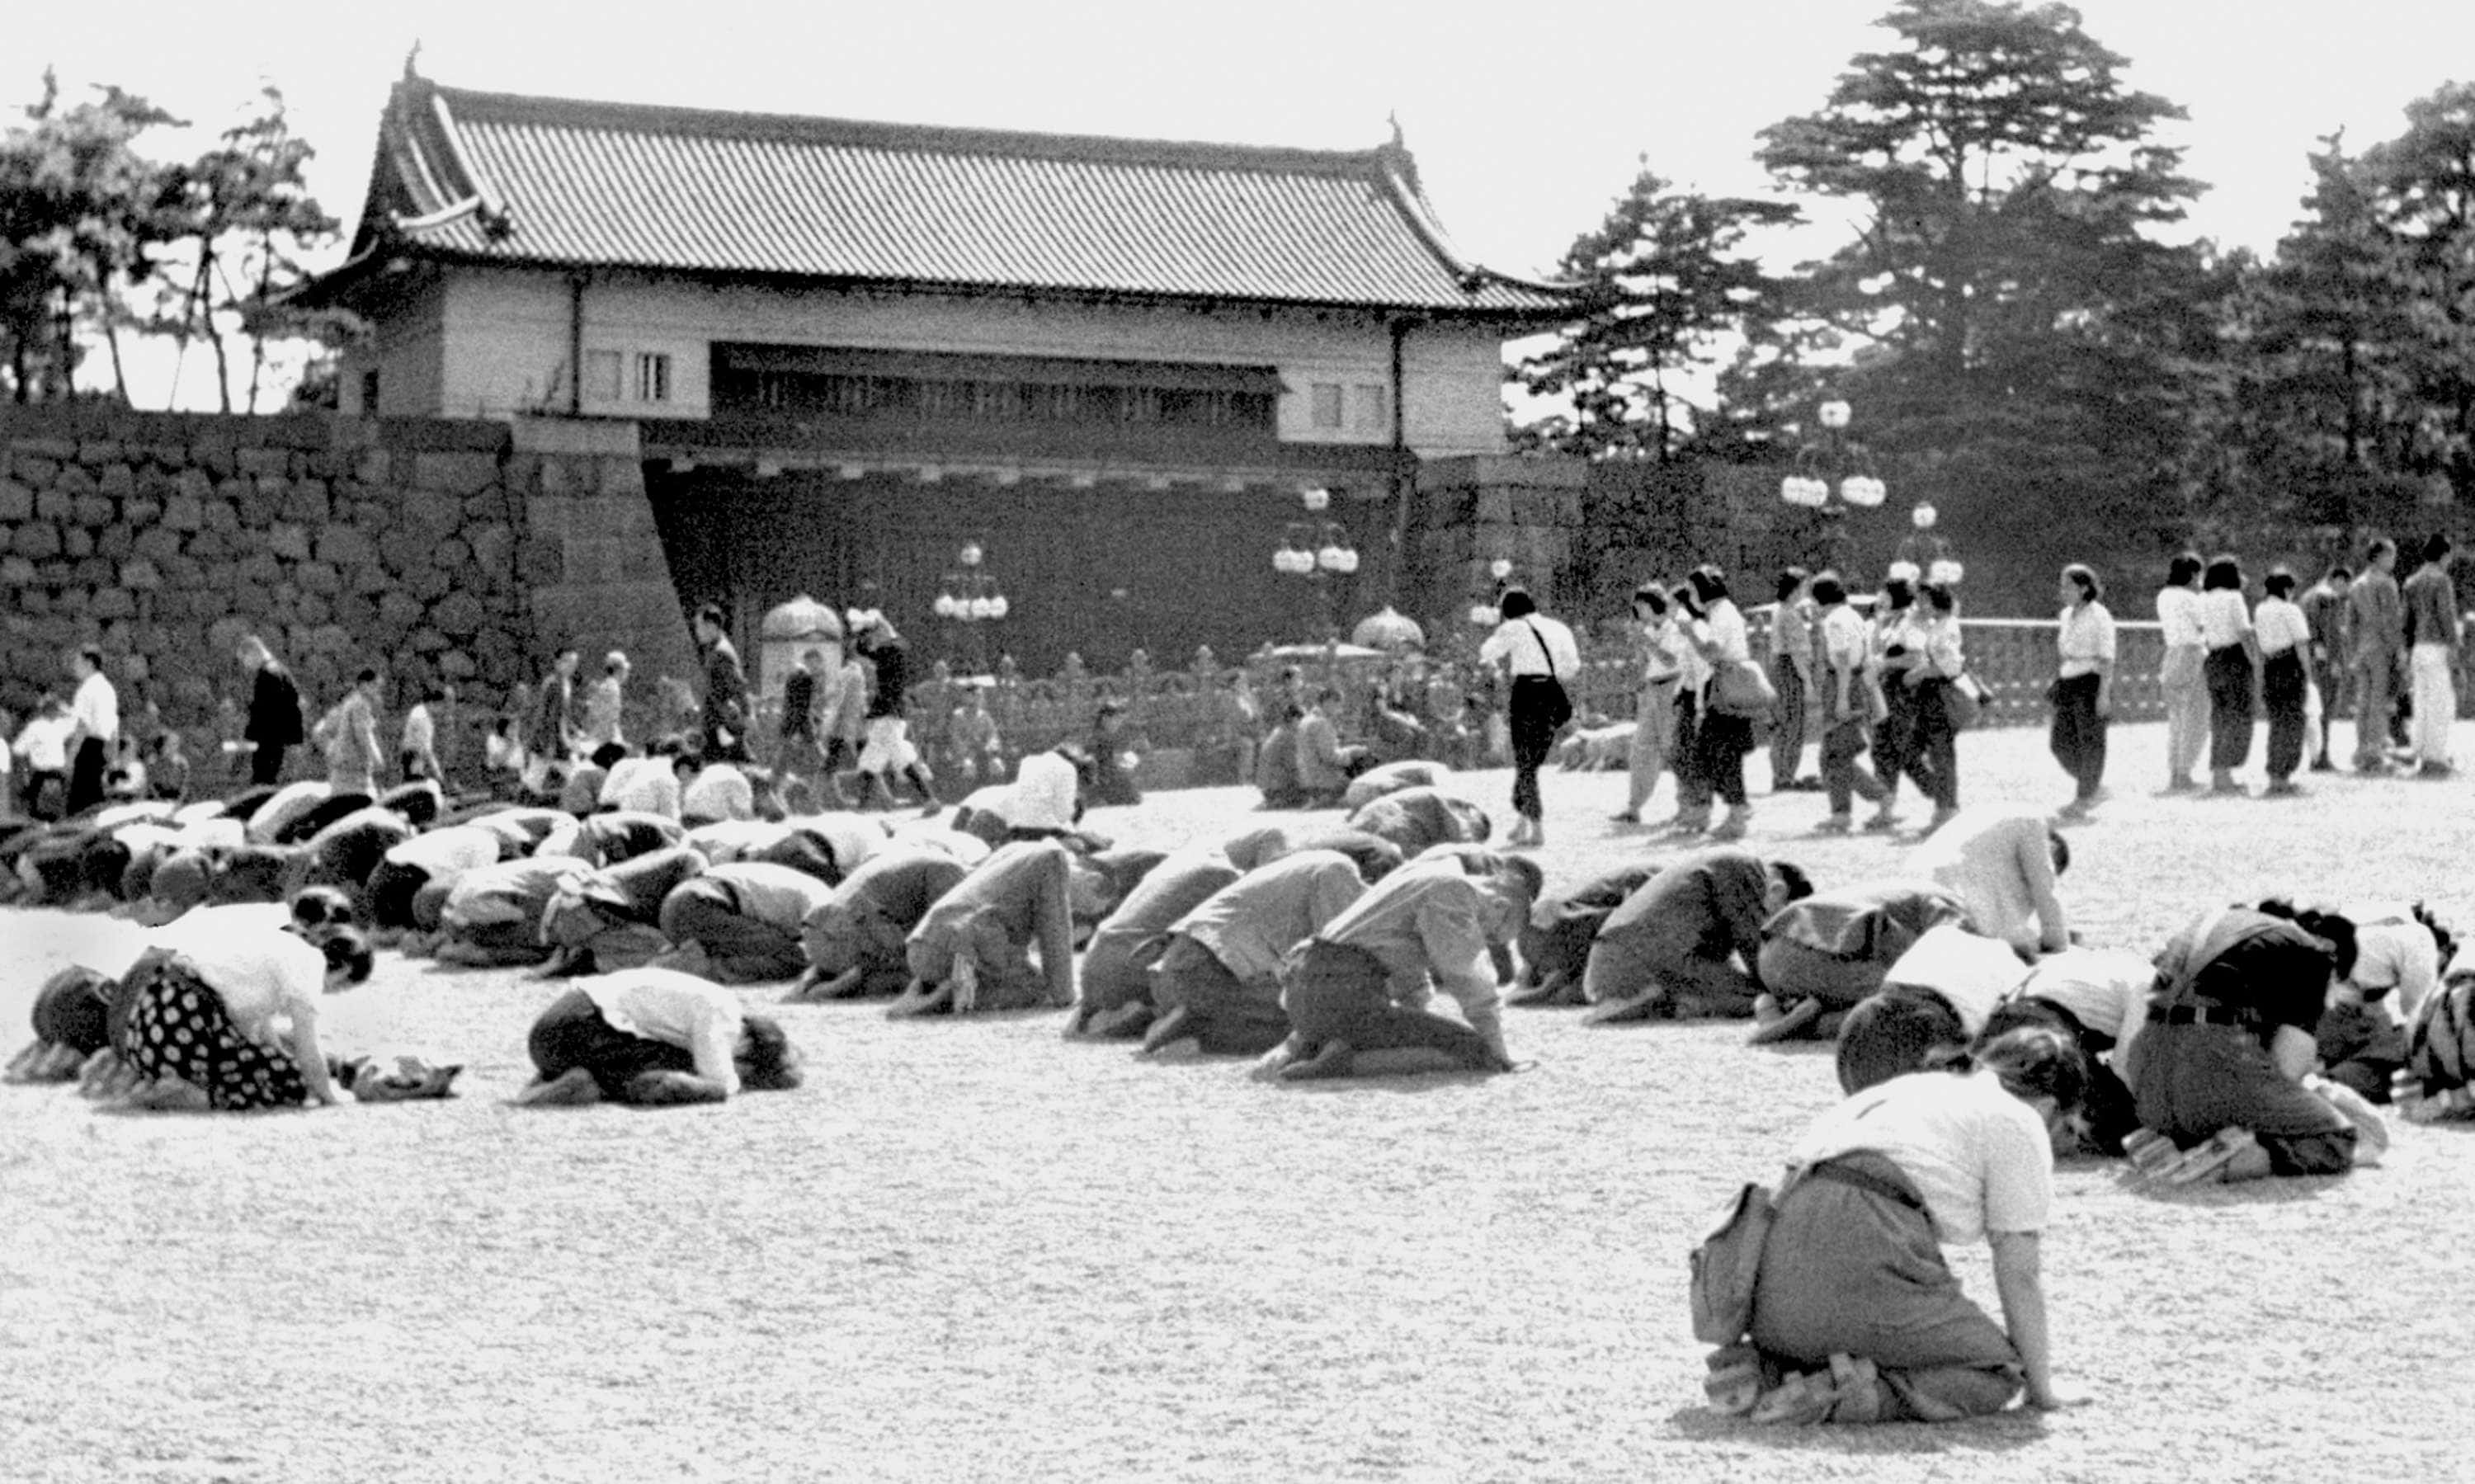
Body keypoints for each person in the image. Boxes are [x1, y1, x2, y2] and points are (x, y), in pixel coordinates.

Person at [1736, 1027, 2081, 1424]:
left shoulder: (1911, 1088)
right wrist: (2042, 1390)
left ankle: (1771, 1370)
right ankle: (1843, 1396)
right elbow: (2019, 1272)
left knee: (1876, 1324)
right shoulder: (2018, 1117)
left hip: (1769, 1282)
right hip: (1857, 1239)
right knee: (1994, 1370)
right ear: (2051, 1108)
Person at [2122, 906, 2383, 1180]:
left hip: (2150, 1087)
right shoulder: (2311, 953)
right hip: (2209, 1065)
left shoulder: (2226, 929)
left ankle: (2171, 1141)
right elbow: (2287, 1069)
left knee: (2223, 1099)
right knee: (2335, 1139)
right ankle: (2235, 1159)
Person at [1270, 849, 1539, 1081]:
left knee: (1407, 1030)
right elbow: (1466, 972)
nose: (1485, 940)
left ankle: (1328, 1045)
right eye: (1492, 935)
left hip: (1305, 992)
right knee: (1474, 1050)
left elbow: (1405, 962)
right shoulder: (1455, 892)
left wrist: (1413, 1022)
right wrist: (1497, 1047)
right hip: (1345, 994)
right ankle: (1344, 1064)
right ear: (1501, 906)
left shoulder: (1424, 873)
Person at [106, 916, 375, 1111]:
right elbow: (307, 1043)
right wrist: (329, 1094)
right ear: (343, 970)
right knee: (289, 1083)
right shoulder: (310, 962)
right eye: (341, 987)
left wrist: (281, 1063)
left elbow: (262, 1040)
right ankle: (185, 1094)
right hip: (182, 1020)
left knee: (276, 1068)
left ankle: (169, 1081)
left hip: (152, 1025)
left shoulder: (277, 947)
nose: (333, 992)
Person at [1142, 847, 1374, 1058]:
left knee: (1303, 1006)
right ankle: (1200, 1033)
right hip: (1209, 969)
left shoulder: (1297, 866)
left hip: (1176, 965)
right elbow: (1339, 948)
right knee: (1321, 1024)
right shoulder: (1339, 871)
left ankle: (1178, 1015)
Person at [1582, 847, 1812, 1022]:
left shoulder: (1719, 862)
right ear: (1778, 891)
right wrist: (1795, 989)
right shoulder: (1746, 869)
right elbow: (1756, 951)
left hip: (1607, 966)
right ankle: (1675, 1001)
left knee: (1735, 983)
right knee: (1767, 999)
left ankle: (1649, 997)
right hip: (1645, 960)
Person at [518, 968, 802, 1106]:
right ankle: (587, 1083)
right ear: (749, 1050)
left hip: (551, 1031)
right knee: (679, 1073)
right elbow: (720, 1080)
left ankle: (551, 1078)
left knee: (663, 1050)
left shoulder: (706, 996)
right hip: (585, 1028)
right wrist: (732, 1083)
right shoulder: (725, 1015)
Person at [1751, 878, 1972, 1038]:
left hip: (1772, 950)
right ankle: (1809, 1027)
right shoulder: (1949, 904)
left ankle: (1777, 1009)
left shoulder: (1906, 888)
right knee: (1924, 1005)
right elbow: (1951, 941)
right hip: (1823, 956)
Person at [1066, 846, 1245, 1037]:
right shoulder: (1225, 874)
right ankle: (1151, 1011)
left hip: (1093, 962)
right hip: (1133, 966)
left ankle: (1095, 1010)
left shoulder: (1178, 862)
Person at [888, 839, 1077, 1016]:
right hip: (957, 947)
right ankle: (943, 1000)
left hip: (921, 945)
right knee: (1036, 988)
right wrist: (1065, 997)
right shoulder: (1054, 859)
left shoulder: (1016, 853)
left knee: (1023, 971)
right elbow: (1055, 935)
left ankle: (929, 986)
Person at [790, 846, 974, 1002]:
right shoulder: (950, 869)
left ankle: (813, 982)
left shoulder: (907, 857)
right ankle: (834, 988)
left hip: (817, 931)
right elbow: (943, 928)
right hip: (847, 933)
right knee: (921, 974)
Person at [1477, 587, 1581, 849]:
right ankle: (1522, 821)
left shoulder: (1513, 627)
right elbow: (1572, 668)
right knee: (1531, 760)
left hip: (1526, 692)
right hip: (1552, 692)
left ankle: (1536, 825)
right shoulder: (1559, 628)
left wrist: (1498, 629)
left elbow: (1487, 653)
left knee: (1524, 760)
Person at [1907, 805, 2069, 959]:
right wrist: (2058, 946)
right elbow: (2045, 889)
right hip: (1944, 902)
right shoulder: (2032, 822)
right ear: (2051, 847)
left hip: (1908, 889)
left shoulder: (1987, 825)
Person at [655, 860, 839, 982]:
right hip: (701, 904)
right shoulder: (822, 897)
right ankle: (693, 967)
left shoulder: (803, 886)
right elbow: (822, 943)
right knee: (793, 958)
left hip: (679, 904)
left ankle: (680, 958)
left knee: (773, 947)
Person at [1675, 568, 1757, 841]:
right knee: (1711, 752)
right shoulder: (1721, 612)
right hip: (1722, 683)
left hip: (1724, 683)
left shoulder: (1722, 613)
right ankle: (1734, 807)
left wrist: (1690, 634)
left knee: (1720, 752)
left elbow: (1713, 651)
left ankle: (1737, 811)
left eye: (1692, 590)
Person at [1809, 572, 1884, 833]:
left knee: (1834, 753)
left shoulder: (1834, 621)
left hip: (1841, 684)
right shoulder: (1854, 616)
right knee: (1837, 753)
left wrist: (1841, 698)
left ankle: (1856, 807)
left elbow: (1841, 661)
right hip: (1856, 682)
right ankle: (1853, 807)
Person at [849, 611, 940, 808]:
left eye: (877, 633)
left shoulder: (893, 650)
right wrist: (864, 633)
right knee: (874, 758)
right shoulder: (887, 650)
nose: (875, 637)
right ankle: (863, 806)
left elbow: (875, 650)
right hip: (886, 713)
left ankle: (930, 799)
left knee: (891, 757)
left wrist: (877, 630)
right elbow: (863, 650)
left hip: (891, 712)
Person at [1613, 584, 1684, 825]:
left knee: (1672, 747)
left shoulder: (1673, 628)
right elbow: (1647, 664)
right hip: (1652, 689)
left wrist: (1646, 641)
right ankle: (1634, 806)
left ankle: (1686, 805)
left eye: (1641, 607)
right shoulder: (1649, 630)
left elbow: (1671, 659)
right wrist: (1639, 645)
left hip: (1671, 686)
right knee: (1642, 750)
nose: (1638, 612)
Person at [2049, 564, 2114, 819]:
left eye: (2068, 586)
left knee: (2090, 742)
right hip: (2069, 678)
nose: (2063, 591)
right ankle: (2094, 786)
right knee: (2060, 743)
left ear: (2084, 588)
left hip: (2091, 678)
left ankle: (2084, 797)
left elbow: (2108, 657)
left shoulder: (2100, 615)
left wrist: (2103, 693)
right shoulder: (2066, 615)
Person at [2197, 555, 2259, 794]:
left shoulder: (2203, 598)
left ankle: (2219, 772)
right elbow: (2244, 632)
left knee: (2220, 716)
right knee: (2239, 715)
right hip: (2235, 658)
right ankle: (2226, 770)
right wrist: (2254, 661)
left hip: (2213, 658)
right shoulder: (2234, 598)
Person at [2401, 532, 2459, 777]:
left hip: (2418, 647)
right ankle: (2436, 756)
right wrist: (2454, 645)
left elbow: (2406, 621)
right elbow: (2446, 615)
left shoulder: (2411, 581)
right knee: (2440, 703)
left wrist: (2406, 649)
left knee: (2421, 703)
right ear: (2444, 555)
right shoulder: (2441, 580)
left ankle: (2421, 752)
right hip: (2437, 645)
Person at [2255, 568, 2312, 795]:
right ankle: (2285, 773)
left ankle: (2274, 773)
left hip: (2270, 665)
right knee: (2293, 721)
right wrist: (2308, 675)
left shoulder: (2260, 610)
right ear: (2288, 590)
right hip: (2290, 665)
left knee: (2277, 721)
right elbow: (2301, 644)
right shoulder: (2290, 610)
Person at [2348, 538, 2403, 774]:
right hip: (2381, 647)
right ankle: (2374, 753)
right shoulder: (2386, 583)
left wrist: (2352, 652)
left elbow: (2351, 623)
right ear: (2380, 557)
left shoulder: (2356, 584)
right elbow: (2390, 620)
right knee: (2379, 702)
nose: (2393, 561)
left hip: (2362, 648)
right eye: (2391, 556)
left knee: (2363, 701)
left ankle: (2361, 750)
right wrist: (2397, 650)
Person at [2155, 552, 2209, 793]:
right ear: (2194, 574)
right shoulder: (2191, 598)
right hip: (2192, 653)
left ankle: (2175, 770)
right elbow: (2203, 625)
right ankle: (2185, 771)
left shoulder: (2164, 596)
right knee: (2196, 716)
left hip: (2172, 653)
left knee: (2176, 718)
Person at [1767, 566, 1817, 792]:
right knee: (1793, 725)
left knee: (1782, 725)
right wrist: (1807, 683)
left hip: (1779, 668)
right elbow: (1797, 653)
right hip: (1791, 670)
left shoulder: (1779, 611)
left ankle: (1780, 774)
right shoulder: (1790, 614)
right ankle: (1786, 775)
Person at [2299, 565, 2352, 771]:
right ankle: (2322, 757)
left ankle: (2314, 755)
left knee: (2312, 710)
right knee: (2325, 709)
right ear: (2339, 580)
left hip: (2308, 659)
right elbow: (2331, 635)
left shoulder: (2307, 596)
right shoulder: (2328, 597)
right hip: (2324, 662)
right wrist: (2336, 662)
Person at [236, 635, 305, 788]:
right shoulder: (282, 671)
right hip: (282, 743)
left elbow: (261, 715)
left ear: (254, 653)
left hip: (268, 744)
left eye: (244, 660)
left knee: (262, 786)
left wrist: (247, 740)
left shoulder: (266, 675)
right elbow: (295, 706)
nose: (246, 665)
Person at [692, 604, 752, 764]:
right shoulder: (714, 650)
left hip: (721, 725)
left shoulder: (720, 652)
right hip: (717, 724)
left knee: (726, 767)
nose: (697, 631)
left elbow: (737, 685)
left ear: (711, 626)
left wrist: (747, 714)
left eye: (699, 626)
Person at [64, 645, 117, 817]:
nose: (74, 667)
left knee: (79, 805)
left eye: (77, 662)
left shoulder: (86, 689)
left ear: (89, 663)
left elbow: (83, 726)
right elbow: (113, 728)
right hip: (103, 748)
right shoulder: (108, 688)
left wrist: (70, 758)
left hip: (87, 749)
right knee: (95, 800)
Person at [316, 667, 385, 799]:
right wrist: (377, 759)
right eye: (375, 685)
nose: (377, 691)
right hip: (354, 777)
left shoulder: (351, 704)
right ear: (364, 685)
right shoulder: (361, 704)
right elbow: (363, 735)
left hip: (344, 773)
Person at [1292, 687, 1365, 806]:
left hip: (1307, 780)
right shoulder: (1321, 723)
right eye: (1338, 704)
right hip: (1323, 780)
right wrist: (1352, 751)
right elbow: (1330, 757)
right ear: (1329, 702)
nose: (1339, 710)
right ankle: (1329, 798)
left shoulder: (1306, 720)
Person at [12, 695, 72, 820]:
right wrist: (25, 773)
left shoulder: (59, 725)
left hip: (53, 775)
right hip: (45, 774)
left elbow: (18, 750)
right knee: (48, 812)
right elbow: (18, 750)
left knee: (46, 812)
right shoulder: (37, 727)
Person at [1086, 700, 1144, 808]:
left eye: (1120, 720)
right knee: (1133, 796)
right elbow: (1103, 769)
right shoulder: (1102, 739)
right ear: (1105, 719)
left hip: (1098, 781)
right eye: (1116, 719)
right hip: (1098, 783)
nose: (1119, 724)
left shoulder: (1097, 736)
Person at [781, 648, 825, 774]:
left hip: (799, 717)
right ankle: (820, 771)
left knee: (809, 747)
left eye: (816, 662)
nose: (814, 665)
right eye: (811, 662)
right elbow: (804, 702)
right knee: (813, 748)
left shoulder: (807, 676)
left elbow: (798, 701)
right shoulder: (805, 676)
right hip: (803, 717)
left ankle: (817, 771)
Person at [581, 651, 629, 753]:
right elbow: (611, 718)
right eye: (626, 670)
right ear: (619, 671)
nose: (627, 673)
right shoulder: (613, 688)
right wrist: (613, 742)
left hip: (597, 736)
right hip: (603, 740)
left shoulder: (605, 685)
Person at [399, 683, 442, 784]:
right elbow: (426, 747)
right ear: (432, 703)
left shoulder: (420, 712)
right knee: (414, 784)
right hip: (414, 755)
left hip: (414, 754)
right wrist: (437, 771)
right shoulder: (422, 717)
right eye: (440, 706)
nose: (440, 710)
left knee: (411, 784)